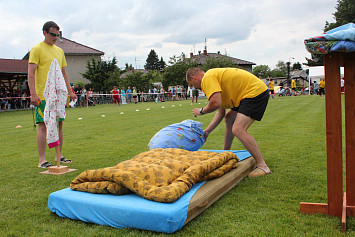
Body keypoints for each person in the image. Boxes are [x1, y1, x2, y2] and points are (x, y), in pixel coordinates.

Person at [186, 67, 271, 177]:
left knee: (238, 129)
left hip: (254, 92)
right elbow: (220, 113)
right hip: (246, 95)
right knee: (229, 118)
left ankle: (263, 166)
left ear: (193, 78)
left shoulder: (207, 78)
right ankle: (225, 153)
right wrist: (207, 131)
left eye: (192, 85)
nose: (195, 88)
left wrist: (201, 111)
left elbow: (215, 103)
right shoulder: (215, 81)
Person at [28, 21, 76, 168]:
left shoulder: (60, 51)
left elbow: (63, 73)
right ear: (44, 32)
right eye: (53, 34)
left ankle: (59, 155)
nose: (55, 37)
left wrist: (70, 91)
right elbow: (31, 73)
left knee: (59, 124)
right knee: (43, 126)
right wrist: (33, 94)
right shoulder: (37, 49)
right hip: (43, 96)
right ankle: (42, 160)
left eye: (58, 35)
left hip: (58, 97)